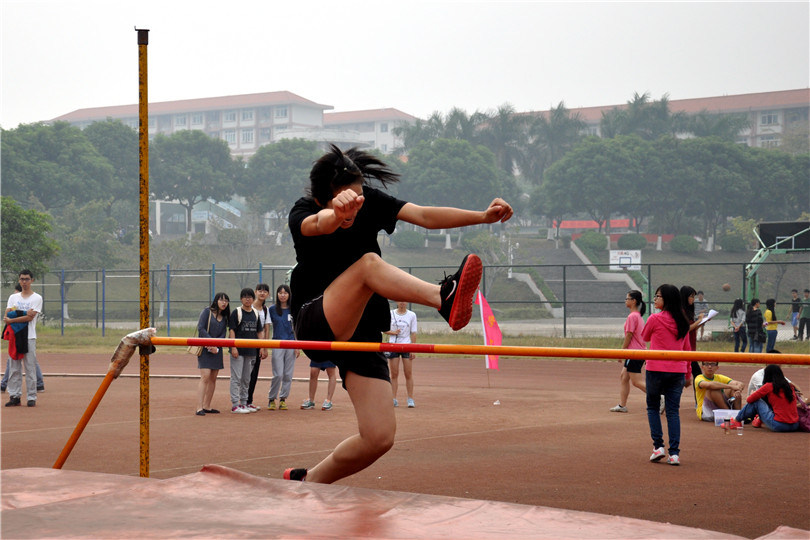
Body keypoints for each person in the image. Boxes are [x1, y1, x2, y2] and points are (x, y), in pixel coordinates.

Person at [283, 144, 512, 484]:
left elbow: (423, 216)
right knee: (368, 265)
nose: (358, 206)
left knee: (379, 437)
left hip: (359, 333)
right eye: (350, 201)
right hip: (315, 321)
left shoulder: (367, 201)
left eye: (360, 197)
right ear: (323, 198)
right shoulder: (304, 211)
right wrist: (337, 214)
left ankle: (307, 482)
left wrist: (482, 216)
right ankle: (442, 298)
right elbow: (319, 224)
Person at [641, 284, 691, 466]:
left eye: (658, 296)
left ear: (667, 300)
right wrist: (688, 374)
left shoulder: (654, 319)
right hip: (677, 371)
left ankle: (658, 447)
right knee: (672, 411)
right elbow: (688, 351)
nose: (655, 299)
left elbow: (645, 337)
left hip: (655, 369)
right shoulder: (683, 322)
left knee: (653, 407)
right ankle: (674, 453)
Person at [3, 270, 43, 407]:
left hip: (29, 337)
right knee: (14, 367)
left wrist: (15, 317)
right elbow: (7, 316)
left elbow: (30, 317)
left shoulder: (37, 298)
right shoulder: (13, 297)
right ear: (19, 280)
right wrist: (24, 313)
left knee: (30, 367)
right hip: (15, 336)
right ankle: (14, 396)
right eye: (22, 279)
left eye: (26, 279)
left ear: (32, 280)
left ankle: (31, 397)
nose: (24, 282)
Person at [610, 290, 647, 413]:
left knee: (636, 382)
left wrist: (622, 351)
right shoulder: (637, 316)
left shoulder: (633, 316)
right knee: (624, 377)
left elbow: (629, 335)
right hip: (636, 352)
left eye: (627, 298)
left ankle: (660, 396)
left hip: (634, 353)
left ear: (634, 301)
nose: (625, 301)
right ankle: (622, 405)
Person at [195, 293, 230, 416]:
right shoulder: (207, 312)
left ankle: (207, 406)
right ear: (216, 301)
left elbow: (223, 334)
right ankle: (199, 407)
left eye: (226, 301)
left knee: (213, 378)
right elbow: (201, 328)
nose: (224, 303)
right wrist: (210, 344)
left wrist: (216, 346)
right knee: (205, 376)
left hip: (217, 350)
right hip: (205, 349)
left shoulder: (224, 317)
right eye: (221, 300)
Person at [736, 365, 799, 432]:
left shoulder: (769, 386)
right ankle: (759, 420)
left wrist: (752, 394)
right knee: (773, 404)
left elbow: (749, 400)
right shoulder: (789, 386)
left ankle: (736, 420)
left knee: (757, 401)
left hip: (779, 425)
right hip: (795, 425)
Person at [267, 284, 299, 411]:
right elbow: (267, 327)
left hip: (291, 344)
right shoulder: (272, 309)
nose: (283, 295)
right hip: (277, 344)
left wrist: (297, 345)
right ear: (277, 295)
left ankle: (283, 398)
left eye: (285, 293)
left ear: (289, 295)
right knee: (278, 374)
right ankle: (271, 398)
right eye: (280, 293)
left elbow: (296, 328)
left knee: (287, 374)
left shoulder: (293, 309)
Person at [228, 288, 260, 414]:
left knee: (246, 379)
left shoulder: (255, 313)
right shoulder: (237, 312)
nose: (248, 299)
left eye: (250, 297)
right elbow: (232, 330)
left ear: (253, 299)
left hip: (251, 351)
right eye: (245, 297)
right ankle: (235, 405)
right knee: (236, 378)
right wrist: (233, 347)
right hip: (238, 351)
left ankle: (244, 402)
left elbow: (259, 331)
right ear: (241, 298)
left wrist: (261, 347)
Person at [384, 301, 418, 408]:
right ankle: (393, 398)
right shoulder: (390, 313)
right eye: (400, 301)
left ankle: (410, 399)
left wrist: (413, 348)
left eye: (404, 301)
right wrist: (393, 333)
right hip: (393, 345)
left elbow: (413, 332)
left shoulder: (412, 315)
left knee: (408, 373)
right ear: (397, 302)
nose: (402, 303)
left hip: (407, 345)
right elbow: (384, 329)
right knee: (394, 374)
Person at [247, 283, 270, 410]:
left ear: (268, 294)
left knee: (254, 374)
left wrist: (264, 347)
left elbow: (266, 329)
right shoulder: (248, 307)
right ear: (255, 292)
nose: (262, 293)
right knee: (245, 374)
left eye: (265, 291)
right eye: (260, 290)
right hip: (247, 345)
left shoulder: (266, 310)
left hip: (258, 345)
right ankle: (242, 401)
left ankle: (249, 401)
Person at [680, 285, 703, 402]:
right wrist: (699, 321)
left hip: (691, 347)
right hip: (684, 348)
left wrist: (702, 321)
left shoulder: (688, 310)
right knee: (697, 374)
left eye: (693, 296)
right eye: (691, 296)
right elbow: (686, 329)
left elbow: (692, 328)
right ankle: (699, 401)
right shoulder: (681, 311)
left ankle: (699, 401)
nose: (693, 299)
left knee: (695, 374)